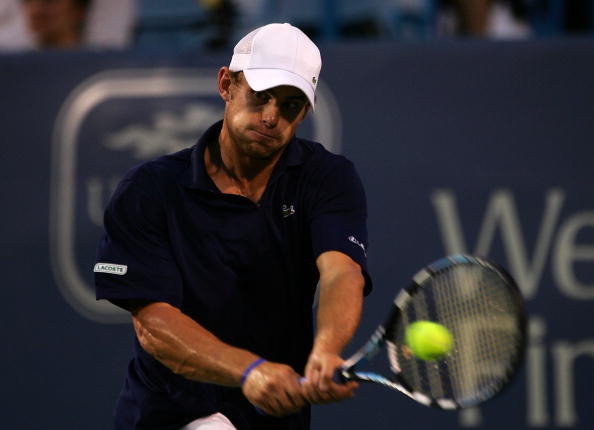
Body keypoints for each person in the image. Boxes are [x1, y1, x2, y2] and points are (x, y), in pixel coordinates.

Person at [94, 23, 372, 430]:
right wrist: (249, 370)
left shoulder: (327, 178)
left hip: (275, 414)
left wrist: (327, 349)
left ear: (305, 112)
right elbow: (154, 323)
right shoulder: (150, 189)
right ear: (226, 84)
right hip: (172, 414)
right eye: (261, 96)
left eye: (291, 105)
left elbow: (340, 271)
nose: (272, 116)